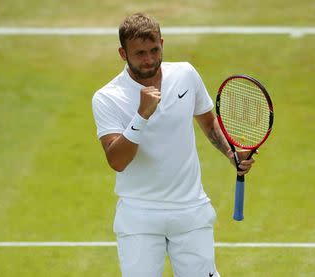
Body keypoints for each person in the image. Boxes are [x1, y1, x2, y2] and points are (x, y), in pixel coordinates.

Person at [92, 13, 255, 277]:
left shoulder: (186, 75)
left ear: (162, 43)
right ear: (123, 54)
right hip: (139, 216)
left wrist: (230, 152)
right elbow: (117, 161)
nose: (149, 60)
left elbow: (208, 120)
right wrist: (141, 115)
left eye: (155, 50)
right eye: (140, 53)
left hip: (191, 211)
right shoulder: (107, 98)